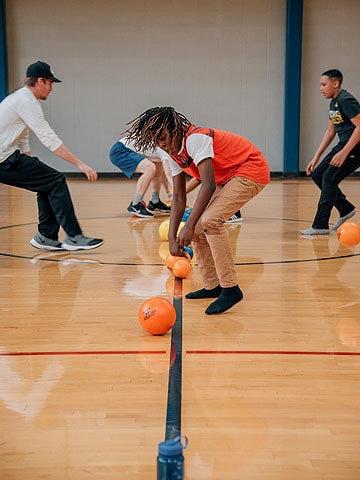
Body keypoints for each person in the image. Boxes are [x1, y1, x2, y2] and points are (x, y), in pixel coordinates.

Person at [125, 106, 270, 314]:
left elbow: (208, 184)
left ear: (174, 129)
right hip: (228, 177)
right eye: (157, 141)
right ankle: (213, 286)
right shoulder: (173, 153)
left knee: (209, 222)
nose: (162, 145)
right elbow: (178, 196)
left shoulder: (195, 139)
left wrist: (189, 225)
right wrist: (174, 237)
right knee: (198, 230)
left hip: (249, 169)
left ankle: (231, 288)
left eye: (164, 137)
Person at [0, 60, 103, 251]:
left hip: (6, 157)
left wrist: (30, 161)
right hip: (4, 160)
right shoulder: (27, 102)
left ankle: (46, 237)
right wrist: (81, 164)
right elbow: (49, 139)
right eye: (50, 83)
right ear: (40, 81)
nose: (51, 88)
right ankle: (74, 237)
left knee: (46, 183)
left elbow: (22, 138)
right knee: (56, 180)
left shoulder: (19, 99)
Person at [300, 69, 360, 235]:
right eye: (320, 85)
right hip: (343, 144)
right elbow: (330, 132)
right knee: (318, 174)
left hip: (355, 148)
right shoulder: (333, 102)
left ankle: (320, 225)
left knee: (328, 178)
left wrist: (344, 152)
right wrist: (316, 157)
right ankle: (345, 208)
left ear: (335, 83)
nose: (321, 88)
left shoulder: (345, 100)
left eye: (324, 84)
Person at [109, 136, 171, 218]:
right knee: (149, 168)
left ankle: (155, 201)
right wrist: (177, 194)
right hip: (120, 151)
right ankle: (136, 204)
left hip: (125, 149)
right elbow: (168, 173)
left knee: (158, 166)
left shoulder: (160, 148)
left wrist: (168, 192)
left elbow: (162, 173)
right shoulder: (163, 149)